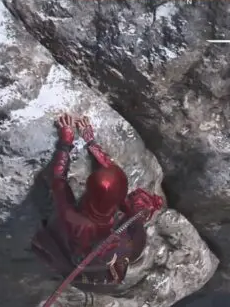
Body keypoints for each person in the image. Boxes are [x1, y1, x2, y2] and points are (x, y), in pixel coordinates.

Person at [31, 114, 164, 289]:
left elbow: (58, 179)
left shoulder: (71, 217)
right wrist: (91, 142)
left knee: (48, 231)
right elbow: (112, 180)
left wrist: (65, 142)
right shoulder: (133, 226)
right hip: (104, 268)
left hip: (76, 260)